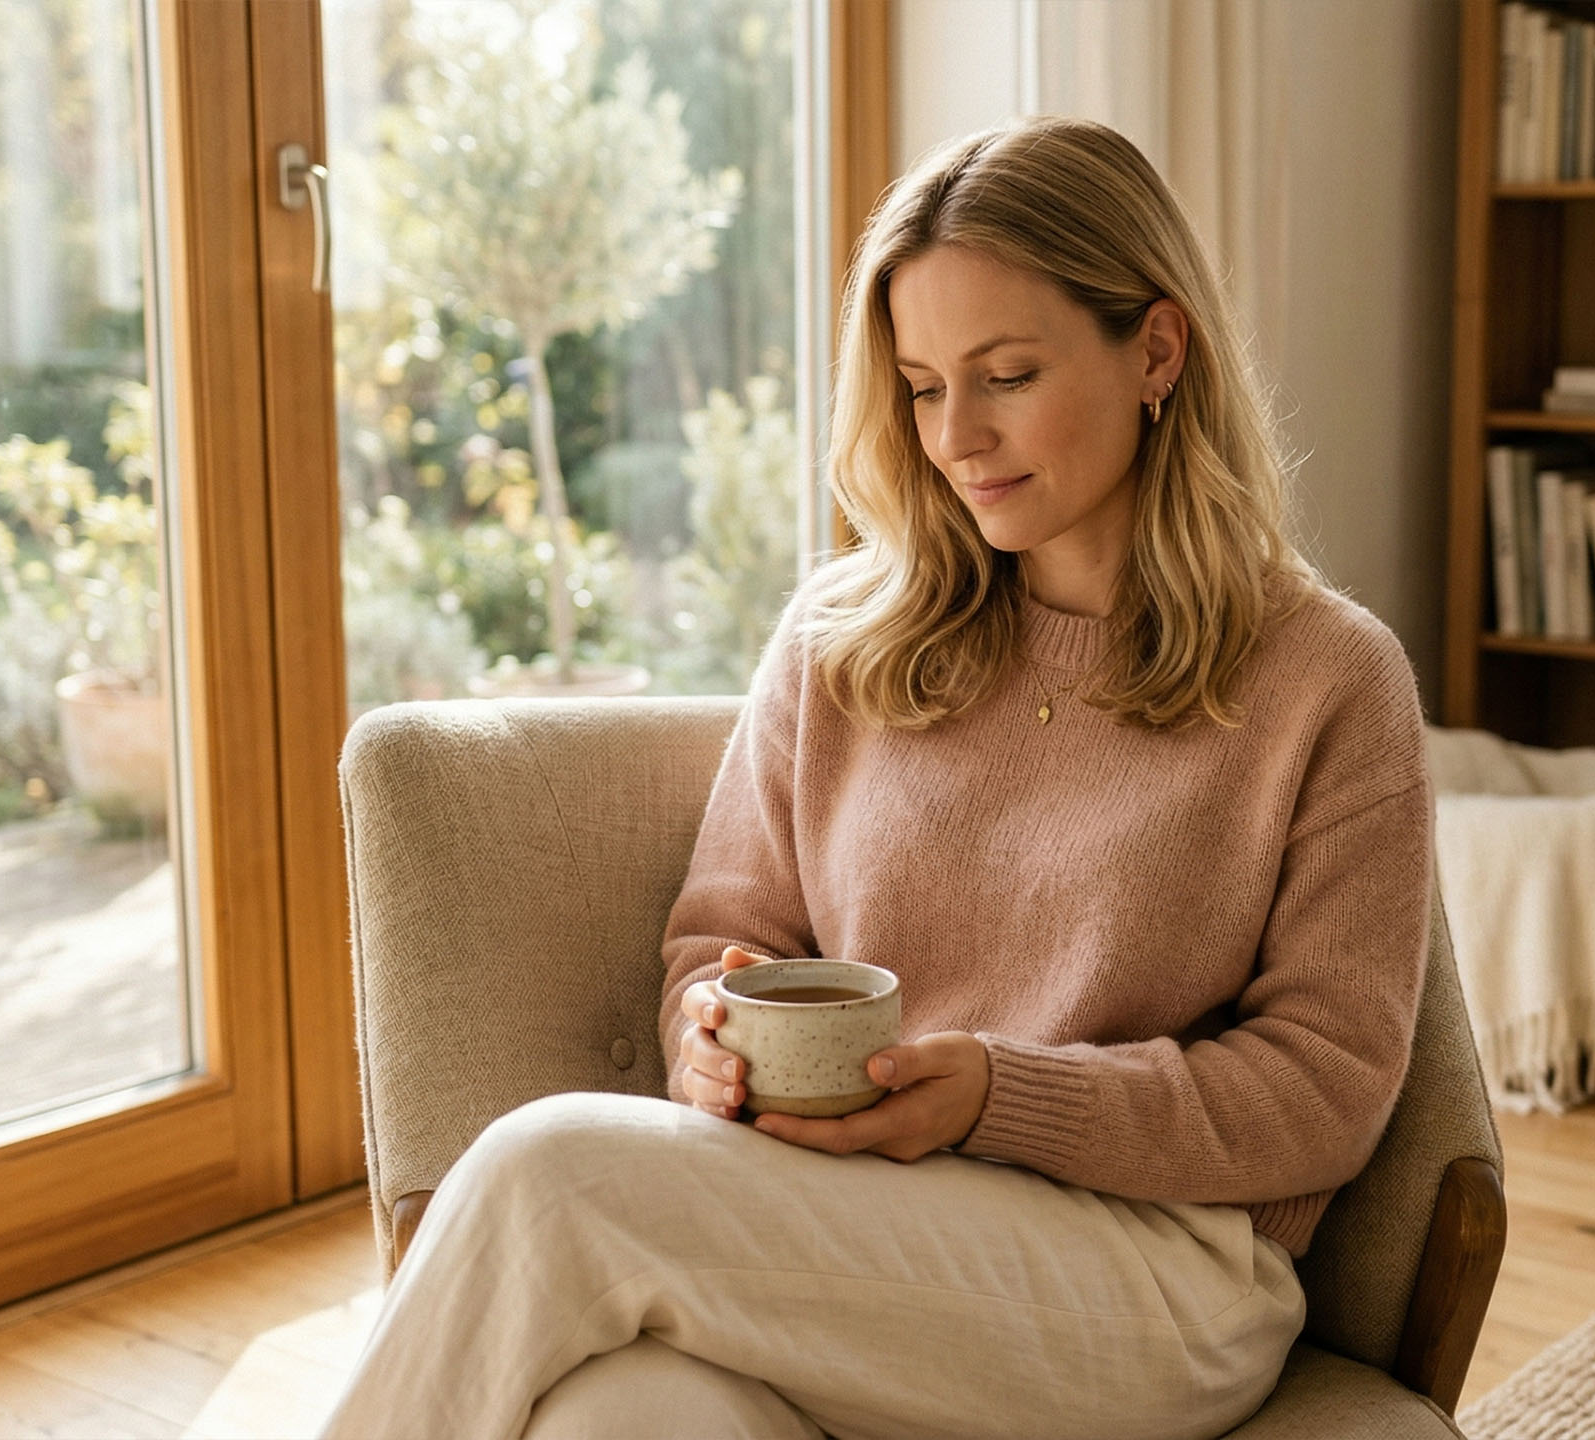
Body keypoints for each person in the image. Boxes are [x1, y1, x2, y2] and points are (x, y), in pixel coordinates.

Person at [316, 114, 1433, 1440]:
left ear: (1157, 350)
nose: (957, 435)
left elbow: (1324, 1092)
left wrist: (1003, 1093)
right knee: (619, 1413)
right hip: (844, 1237)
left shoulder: (1329, 679)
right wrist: (706, 1044)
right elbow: (728, 936)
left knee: (554, 1179)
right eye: (919, 385)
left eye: (1006, 373)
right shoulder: (844, 637)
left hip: (1154, 1279)